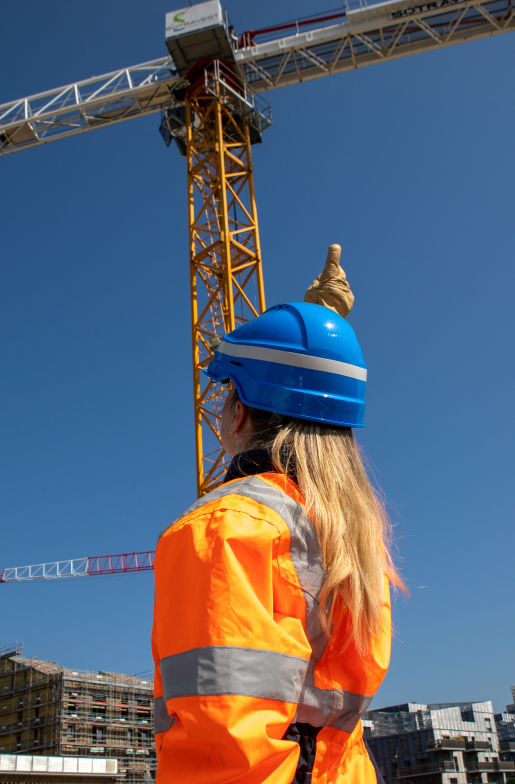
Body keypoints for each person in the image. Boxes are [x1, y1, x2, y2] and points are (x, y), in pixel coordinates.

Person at [151, 298, 404, 783]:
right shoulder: (351, 537)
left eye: (226, 392)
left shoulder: (223, 526)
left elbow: (225, 751)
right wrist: (322, 329)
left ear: (240, 410)